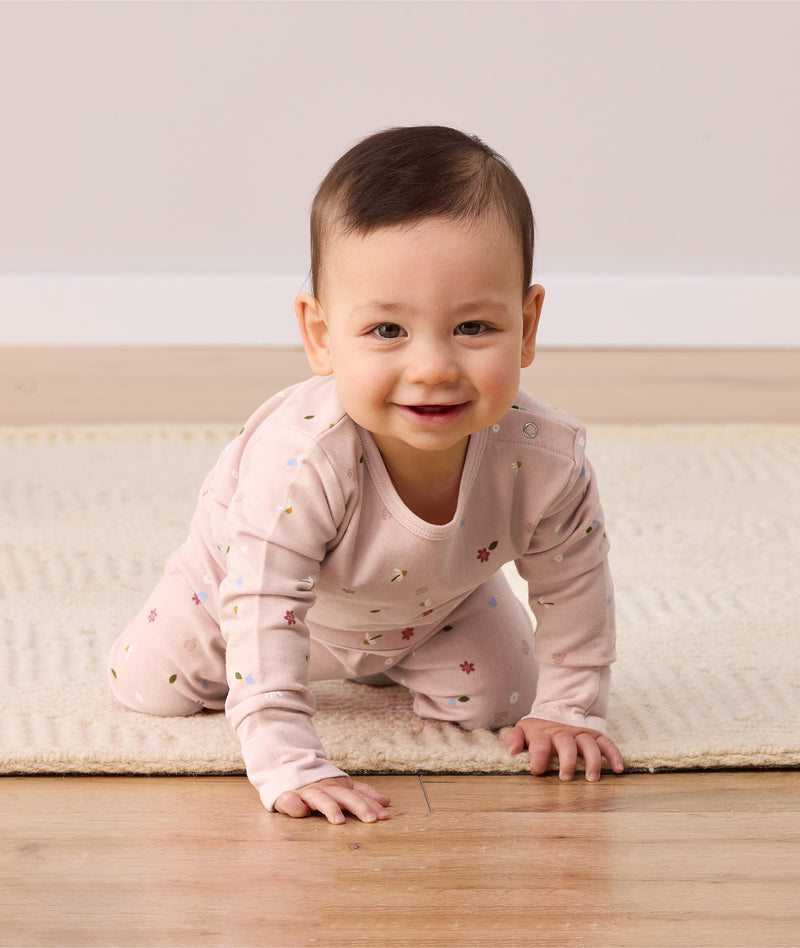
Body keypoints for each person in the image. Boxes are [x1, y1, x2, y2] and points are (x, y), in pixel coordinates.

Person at [108, 125, 624, 824]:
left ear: (527, 326)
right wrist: (286, 758)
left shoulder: (546, 460)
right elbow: (264, 599)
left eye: (473, 327)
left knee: (504, 701)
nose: (434, 367)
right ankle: (285, 661)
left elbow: (576, 588)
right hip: (242, 587)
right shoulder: (305, 461)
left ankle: (390, 652)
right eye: (388, 331)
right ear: (321, 336)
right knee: (146, 685)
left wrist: (571, 710)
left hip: (431, 605)